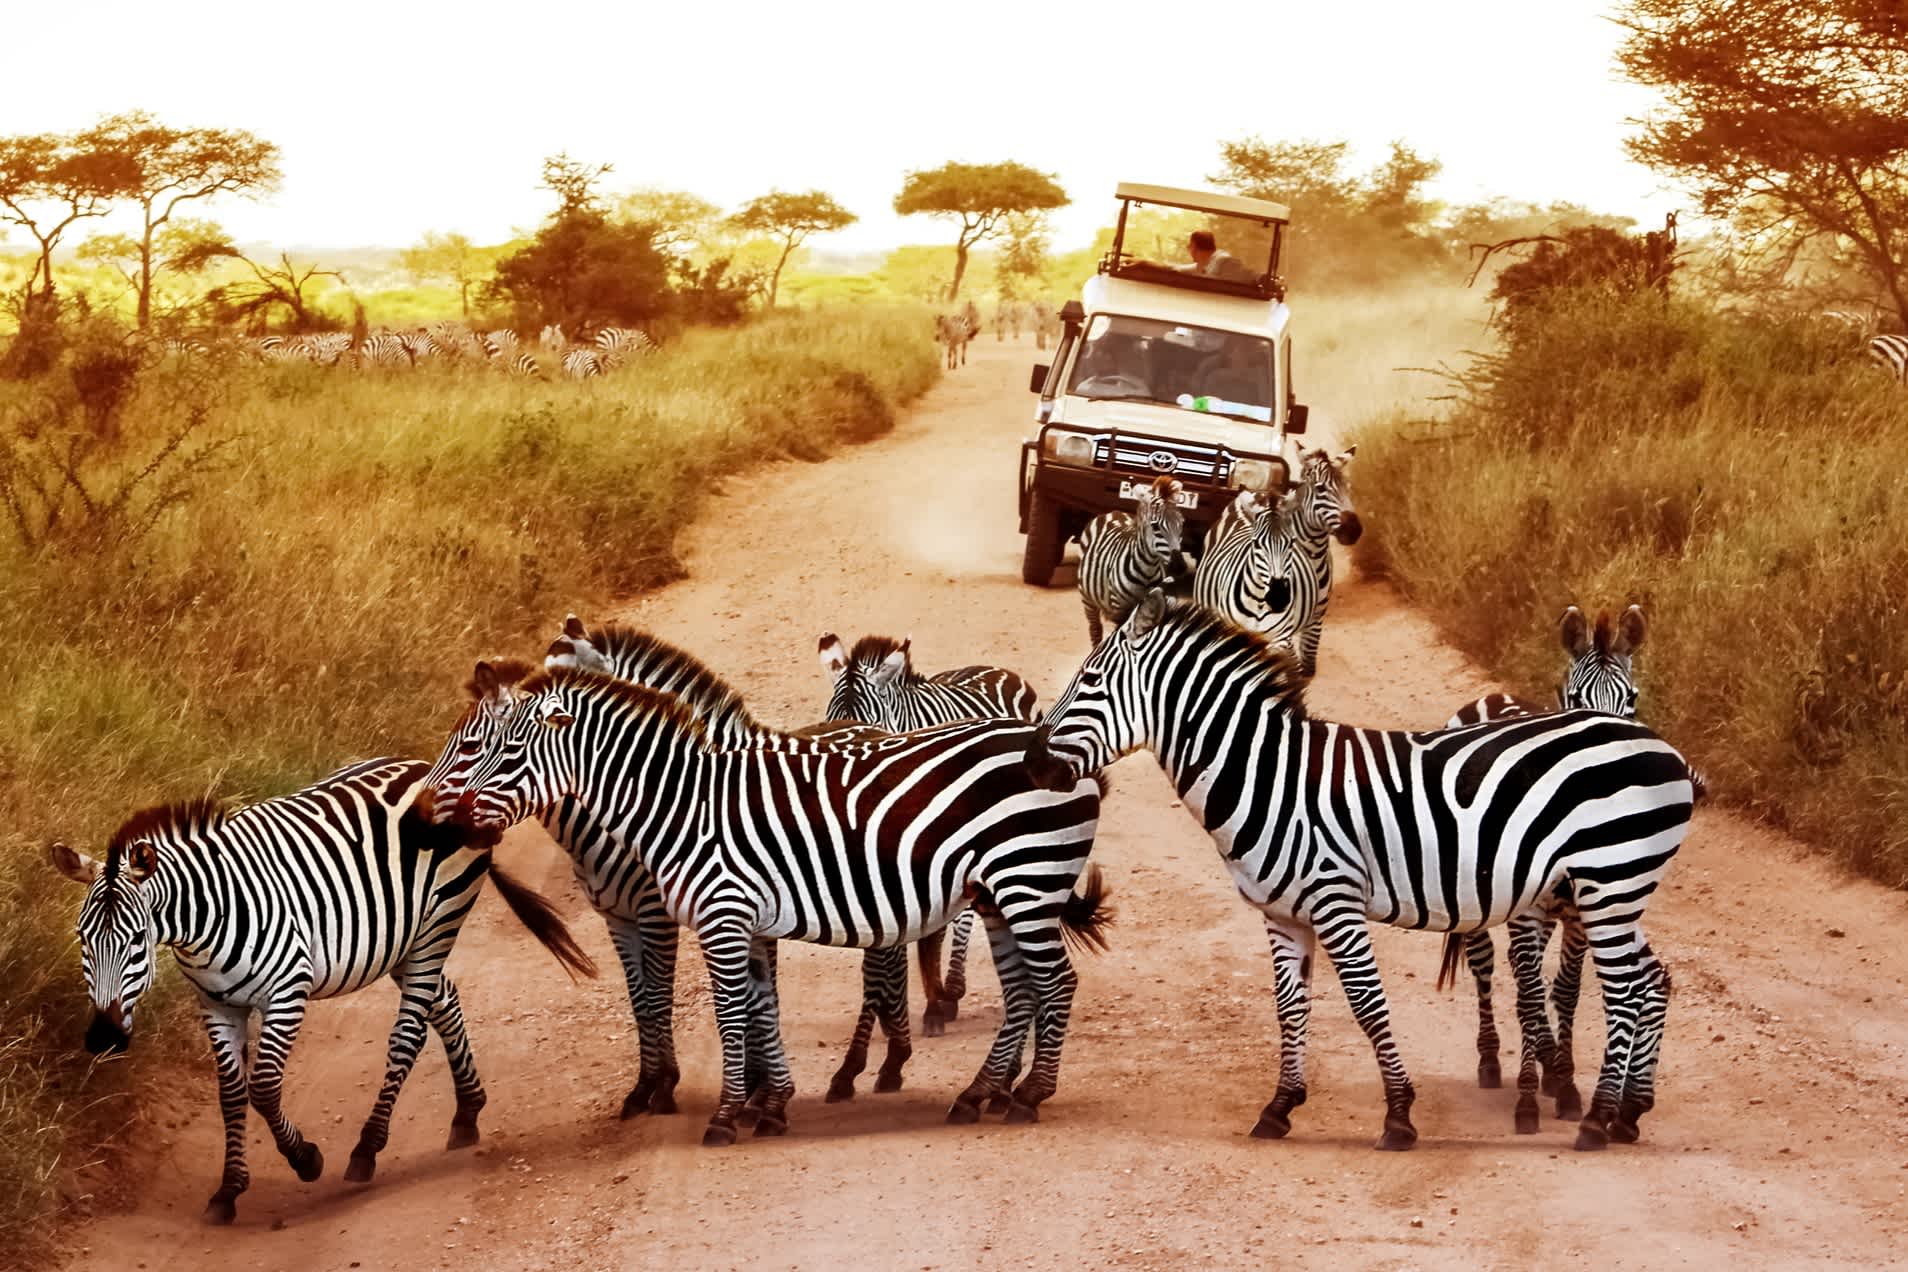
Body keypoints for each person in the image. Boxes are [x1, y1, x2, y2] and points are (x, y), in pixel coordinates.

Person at [1131, 230, 1258, 284]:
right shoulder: (1205, 263)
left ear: (1195, 247)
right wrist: (1144, 262)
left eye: (1189, 245)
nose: (1188, 249)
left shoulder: (1224, 261)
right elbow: (1174, 268)